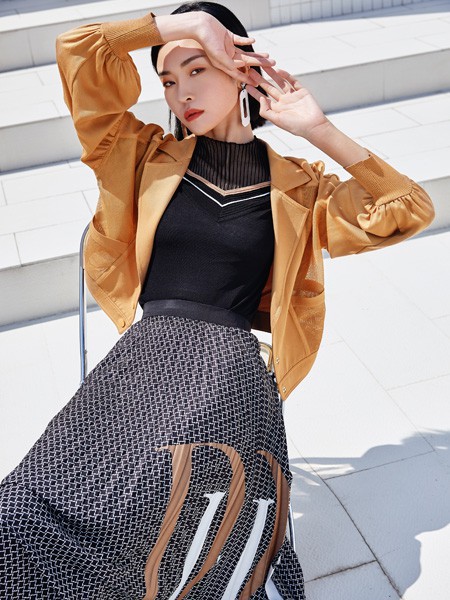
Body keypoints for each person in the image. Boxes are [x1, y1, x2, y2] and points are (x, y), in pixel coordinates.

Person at [0, 2, 434, 598]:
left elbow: (406, 210)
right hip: (143, 364)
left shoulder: (300, 186)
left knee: (157, 505)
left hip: (230, 377)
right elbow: (79, 50)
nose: (181, 93)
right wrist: (181, 26)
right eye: (168, 80)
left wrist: (317, 129)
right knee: (25, 507)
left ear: (241, 70)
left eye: (197, 69)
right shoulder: (139, 155)